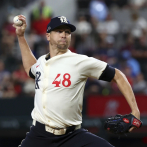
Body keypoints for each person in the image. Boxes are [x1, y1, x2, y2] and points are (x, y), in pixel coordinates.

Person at [13, 15, 141, 147]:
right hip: (39, 135)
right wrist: (21, 36)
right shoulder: (41, 62)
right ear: (48, 36)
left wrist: (135, 111)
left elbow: (118, 76)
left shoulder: (79, 61)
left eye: (67, 32)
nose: (64, 35)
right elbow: (30, 68)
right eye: (59, 31)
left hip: (72, 136)